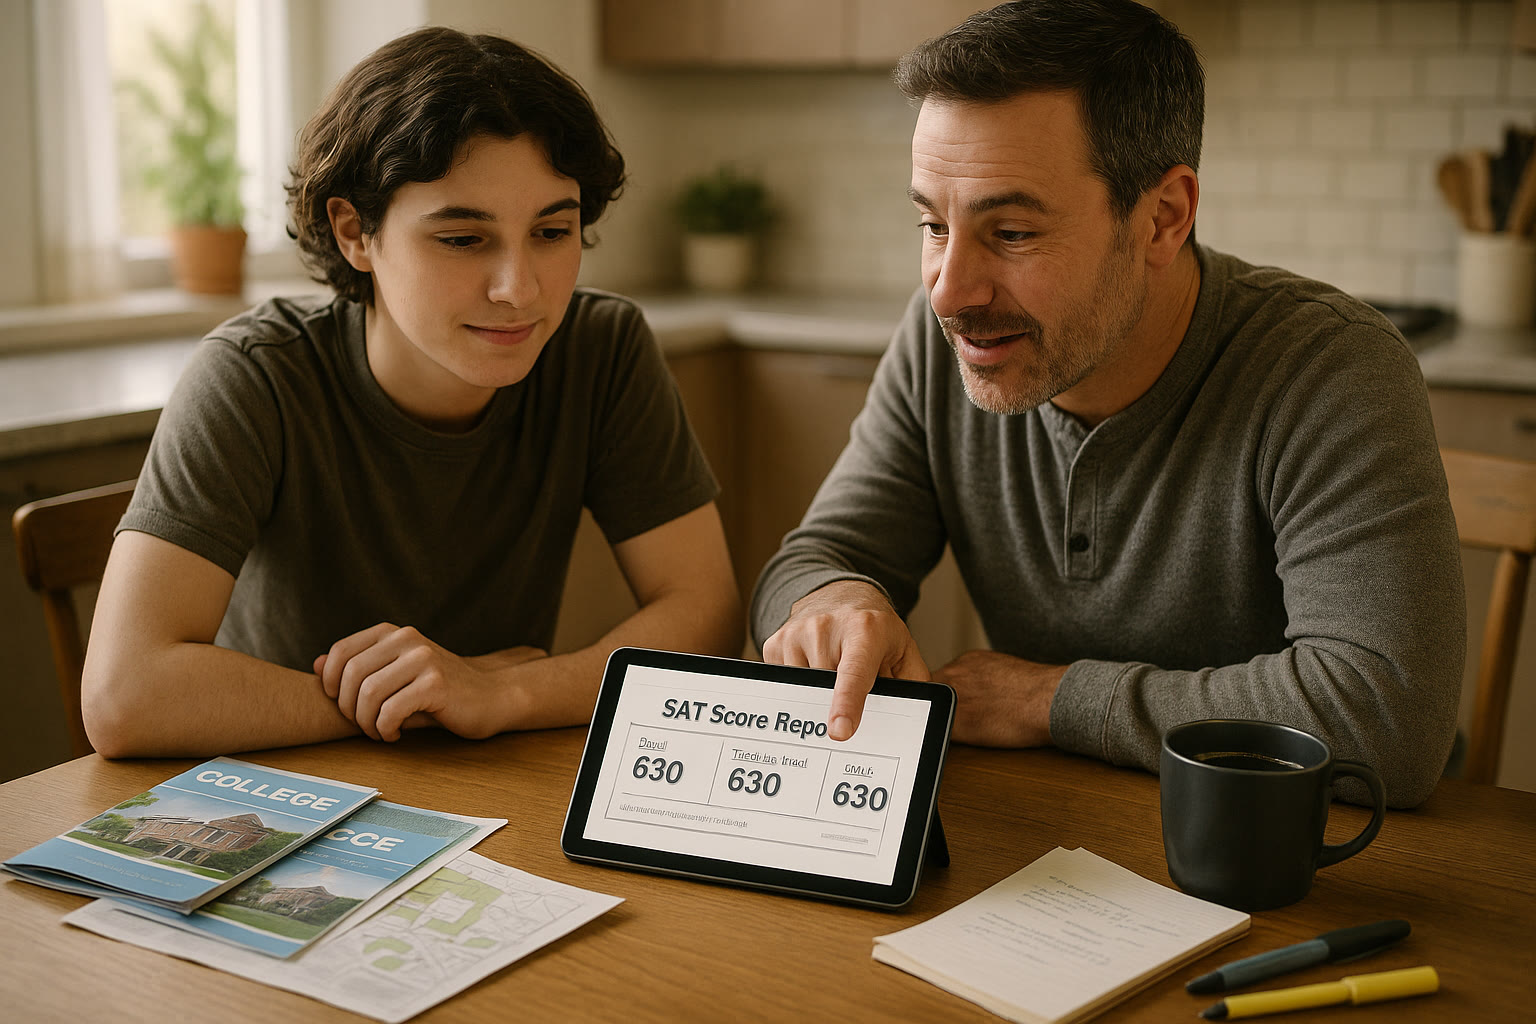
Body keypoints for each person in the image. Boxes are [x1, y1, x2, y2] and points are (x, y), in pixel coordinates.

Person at [752, 0, 1464, 808]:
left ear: (1163, 218)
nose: (950, 291)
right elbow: (811, 560)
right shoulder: (940, 340)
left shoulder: (1329, 367)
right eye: (932, 224)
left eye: (1012, 233)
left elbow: (1383, 718)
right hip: (1060, 829)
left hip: (1319, 855)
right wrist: (833, 603)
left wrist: (1048, 700)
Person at [83, 27, 743, 758]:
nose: (518, 290)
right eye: (463, 240)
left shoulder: (601, 350)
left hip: (486, 784)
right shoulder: (254, 375)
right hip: (281, 786)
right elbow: (124, 695)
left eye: (552, 231)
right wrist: (425, 699)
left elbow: (705, 614)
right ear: (354, 232)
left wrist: (503, 693)